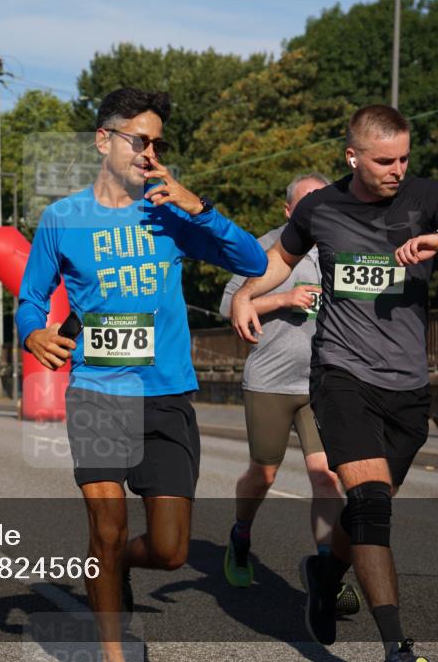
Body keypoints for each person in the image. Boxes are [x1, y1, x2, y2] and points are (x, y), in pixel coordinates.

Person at [231, 105, 438, 662]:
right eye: (384, 159)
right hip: (340, 375)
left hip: (407, 386)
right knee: (369, 506)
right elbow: (280, 259)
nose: (397, 169)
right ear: (352, 156)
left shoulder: (428, 198)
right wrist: (246, 294)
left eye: (404, 157)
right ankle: (398, 647)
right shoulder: (320, 206)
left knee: (367, 509)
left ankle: (325, 570)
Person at [18, 88, 266, 662]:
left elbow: (253, 262)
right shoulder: (63, 218)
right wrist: (33, 333)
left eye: (157, 143)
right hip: (100, 392)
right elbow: (30, 301)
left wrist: (196, 206)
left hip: (167, 394)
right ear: (104, 141)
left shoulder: (169, 211)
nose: (149, 152)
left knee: (171, 549)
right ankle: (114, 649)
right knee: (105, 525)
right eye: (139, 140)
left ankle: (114, 565)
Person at [218, 171, 360, 611]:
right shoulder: (263, 248)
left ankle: (325, 571)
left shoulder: (344, 244)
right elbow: (229, 306)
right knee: (265, 474)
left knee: (327, 476)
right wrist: (283, 298)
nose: (317, 210)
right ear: (288, 210)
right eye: (306, 203)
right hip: (271, 381)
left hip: (324, 382)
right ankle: (240, 534)